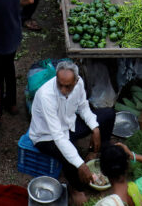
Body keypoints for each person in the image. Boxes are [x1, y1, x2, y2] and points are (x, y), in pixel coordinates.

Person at [28, 60, 115, 206]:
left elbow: (83, 107)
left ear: (75, 81)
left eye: (67, 86)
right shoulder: (46, 96)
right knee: (69, 155)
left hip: (69, 125)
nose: (62, 90)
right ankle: (76, 189)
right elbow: (58, 137)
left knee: (108, 115)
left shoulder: (79, 84)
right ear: (56, 78)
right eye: (59, 84)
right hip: (46, 136)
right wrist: (81, 165)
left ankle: (97, 153)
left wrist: (95, 128)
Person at [94, 142, 142, 206]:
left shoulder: (107, 204)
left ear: (103, 172)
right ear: (127, 166)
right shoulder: (139, 188)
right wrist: (132, 155)